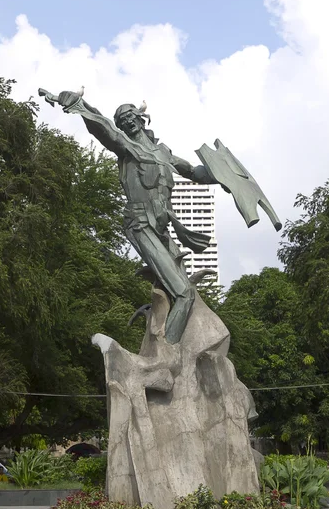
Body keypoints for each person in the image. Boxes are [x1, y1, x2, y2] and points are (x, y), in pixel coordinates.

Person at [52, 91, 217, 343]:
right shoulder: (126, 147)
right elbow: (103, 128)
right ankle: (166, 357)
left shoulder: (164, 153)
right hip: (140, 224)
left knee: (185, 294)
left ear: (141, 118)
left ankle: (179, 344)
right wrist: (80, 105)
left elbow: (196, 172)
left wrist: (224, 174)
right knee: (184, 293)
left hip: (163, 230)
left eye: (129, 116)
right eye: (121, 120)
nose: (125, 121)